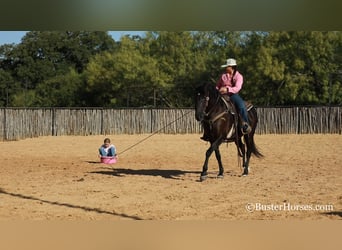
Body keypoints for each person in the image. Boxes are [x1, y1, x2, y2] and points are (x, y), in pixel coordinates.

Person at [200, 58, 251, 141]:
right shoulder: (223, 76)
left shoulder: (239, 76)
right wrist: (215, 91)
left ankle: (245, 124)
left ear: (232, 67)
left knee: (241, 106)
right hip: (221, 95)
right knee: (209, 105)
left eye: (227, 66)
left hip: (233, 95)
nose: (225, 68)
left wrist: (227, 89)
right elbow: (218, 85)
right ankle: (207, 131)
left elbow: (237, 88)